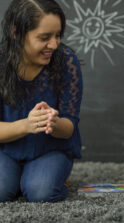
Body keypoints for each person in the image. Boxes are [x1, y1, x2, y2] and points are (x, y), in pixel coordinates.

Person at [0, 0, 83, 202]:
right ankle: (19, 180)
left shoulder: (66, 61)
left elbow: (69, 126)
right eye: (44, 38)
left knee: (41, 192)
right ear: (16, 33)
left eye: (58, 36)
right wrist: (27, 125)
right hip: (6, 148)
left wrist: (53, 124)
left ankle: (43, 178)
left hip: (50, 149)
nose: (54, 45)